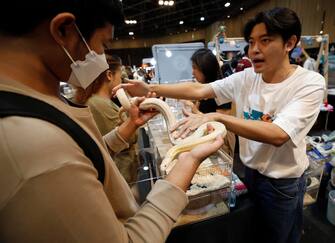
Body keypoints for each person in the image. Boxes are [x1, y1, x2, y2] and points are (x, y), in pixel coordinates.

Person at [0, 1, 224, 242]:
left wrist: (129, 125)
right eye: (103, 44)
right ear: (64, 30)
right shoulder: (34, 146)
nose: (103, 60)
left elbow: (84, 158)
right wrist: (187, 161)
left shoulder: (40, 100)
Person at [114, 7, 326, 243]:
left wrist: (217, 117)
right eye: (252, 42)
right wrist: (150, 90)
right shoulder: (247, 77)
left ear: (290, 43)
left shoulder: (310, 83)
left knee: (281, 236)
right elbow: (201, 89)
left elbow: (278, 134)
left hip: (282, 182)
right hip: (250, 171)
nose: (254, 50)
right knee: (256, 230)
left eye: (265, 41)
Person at [76, 54, 139, 183]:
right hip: (121, 173)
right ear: (109, 75)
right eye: (120, 76)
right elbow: (129, 137)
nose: (121, 81)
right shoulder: (98, 104)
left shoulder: (100, 102)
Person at [187, 48, 235, 156]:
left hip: (219, 143)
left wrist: (194, 110)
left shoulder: (221, 90)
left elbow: (221, 124)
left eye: (195, 68)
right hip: (207, 140)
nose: (192, 72)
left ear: (205, 69)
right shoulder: (205, 88)